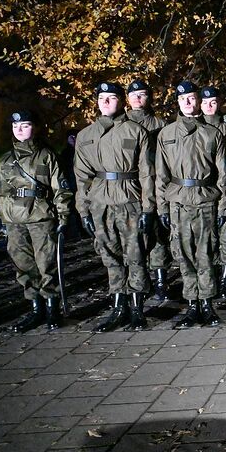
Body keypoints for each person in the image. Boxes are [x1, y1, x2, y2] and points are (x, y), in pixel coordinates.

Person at [74, 82, 154, 332]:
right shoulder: (86, 135)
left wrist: (148, 208)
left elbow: (147, 173)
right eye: (101, 98)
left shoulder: (135, 131)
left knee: (136, 254)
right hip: (100, 202)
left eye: (111, 98)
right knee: (109, 256)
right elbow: (81, 177)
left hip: (129, 199)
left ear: (122, 101)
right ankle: (118, 307)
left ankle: (137, 308)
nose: (105, 103)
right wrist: (83, 210)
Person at [156, 80, 226, 329]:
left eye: (191, 98)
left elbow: (223, 174)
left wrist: (225, 204)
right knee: (184, 255)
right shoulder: (166, 134)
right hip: (178, 200)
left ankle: (207, 304)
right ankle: (191, 305)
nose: (187, 102)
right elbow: (161, 175)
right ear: (177, 102)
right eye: (182, 99)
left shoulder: (212, 133)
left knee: (206, 252)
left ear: (198, 100)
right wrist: (162, 207)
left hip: (206, 198)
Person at [0, 110, 73, 333]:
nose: (19, 130)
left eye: (25, 125)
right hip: (14, 220)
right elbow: (4, 192)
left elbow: (60, 187)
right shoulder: (6, 159)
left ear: (35, 128)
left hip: (41, 217)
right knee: (22, 265)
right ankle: (35, 307)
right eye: (16, 126)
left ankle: (52, 307)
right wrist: (4, 218)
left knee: (46, 264)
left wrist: (64, 214)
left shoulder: (46, 156)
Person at [124, 79, 172, 300]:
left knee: (159, 234)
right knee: (135, 236)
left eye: (142, 94)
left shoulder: (160, 125)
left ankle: (161, 278)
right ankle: (139, 281)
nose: (138, 99)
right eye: (134, 95)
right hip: (133, 186)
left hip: (158, 183)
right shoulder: (121, 126)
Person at [200, 86, 226, 298]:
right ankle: (211, 277)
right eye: (205, 102)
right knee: (207, 237)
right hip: (203, 189)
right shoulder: (195, 128)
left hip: (224, 186)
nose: (209, 106)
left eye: (213, 102)